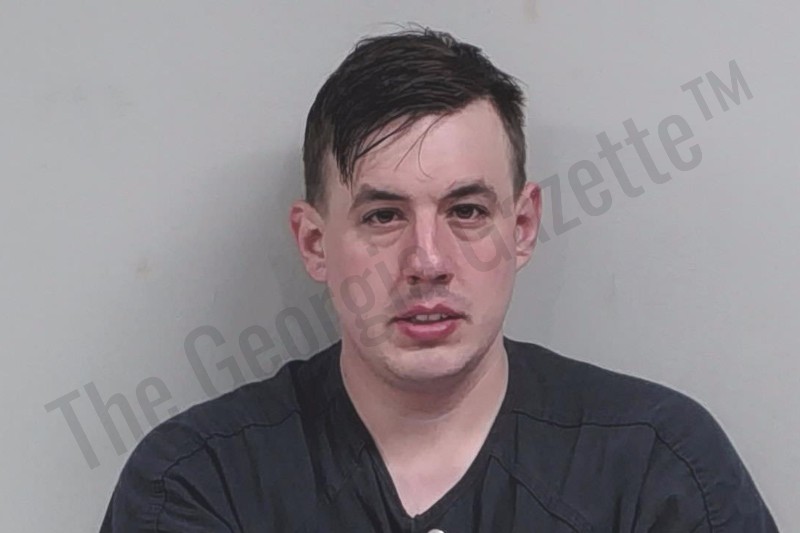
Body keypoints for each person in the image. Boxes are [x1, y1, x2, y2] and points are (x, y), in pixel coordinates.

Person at [100, 26, 778, 532]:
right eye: (383, 215)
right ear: (314, 242)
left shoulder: (658, 467)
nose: (427, 261)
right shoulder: (197, 482)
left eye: (466, 211)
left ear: (522, 226)